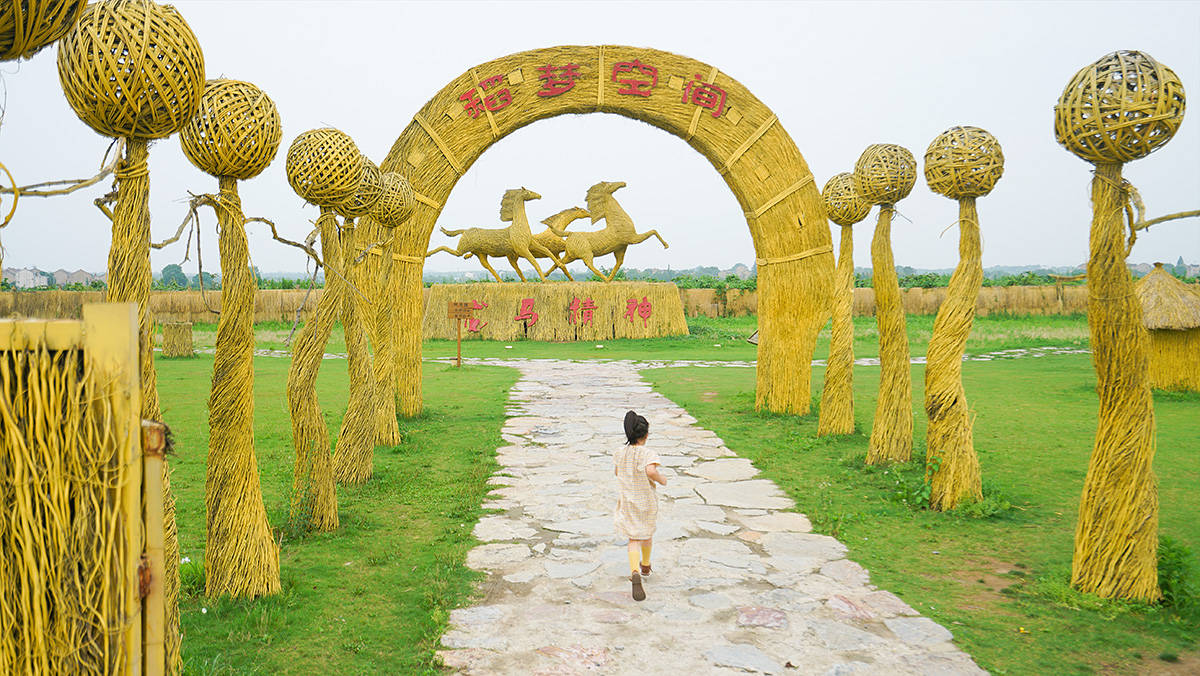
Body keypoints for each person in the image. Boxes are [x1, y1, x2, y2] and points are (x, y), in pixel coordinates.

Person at [614, 410, 668, 601]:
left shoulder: (620, 452)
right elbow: (650, 470)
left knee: (633, 539)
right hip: (646, 501)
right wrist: (661, 479)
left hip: (628, 501)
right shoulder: (648, 453)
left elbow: (617, 472)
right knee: (647, 534)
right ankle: (645, 565)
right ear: (645, 434)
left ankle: (634, 570)